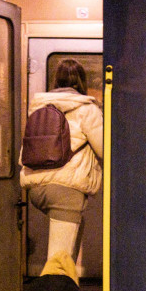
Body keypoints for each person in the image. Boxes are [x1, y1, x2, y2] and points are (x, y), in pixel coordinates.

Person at [21, 59, 104, 268]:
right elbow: (105, 148)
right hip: (65, 191)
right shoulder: (86, 109)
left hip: (36, 188)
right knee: (59, 261)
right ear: (82, 82)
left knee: (68, 250)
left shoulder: (38, 107)